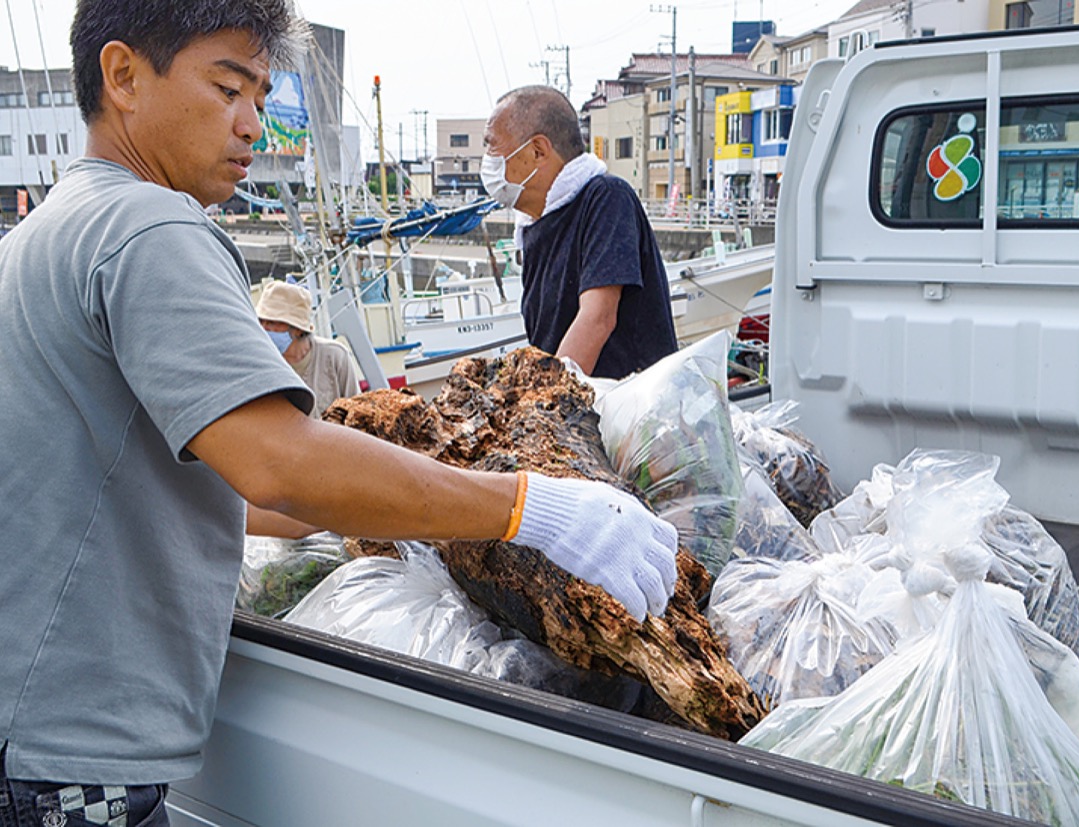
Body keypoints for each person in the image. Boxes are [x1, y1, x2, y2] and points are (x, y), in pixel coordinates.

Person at [0, 3, 677, 824]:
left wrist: (381, 515)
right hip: (75, 754)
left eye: (261, 94)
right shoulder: (147, 225)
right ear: (123, 76)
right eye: (228, 88)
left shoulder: (42, 233)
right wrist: (530, 506)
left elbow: (183, 483)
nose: (254, 125)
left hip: (29, 728)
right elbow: (281, 462)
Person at [482, 85, 678, 380]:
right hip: (579, 414)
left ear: (537, 151)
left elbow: (598, 317)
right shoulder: (535, 224)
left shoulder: (607, 198)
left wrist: (545, 405)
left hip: (628, 409)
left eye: (492, 145)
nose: (487, 158)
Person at [256, 279, 359, 417]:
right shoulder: (260, 365)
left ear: (298, 329)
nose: (264, 328)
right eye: (260, 321)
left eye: (272, 323)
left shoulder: (336, 357)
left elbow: (356, 413)